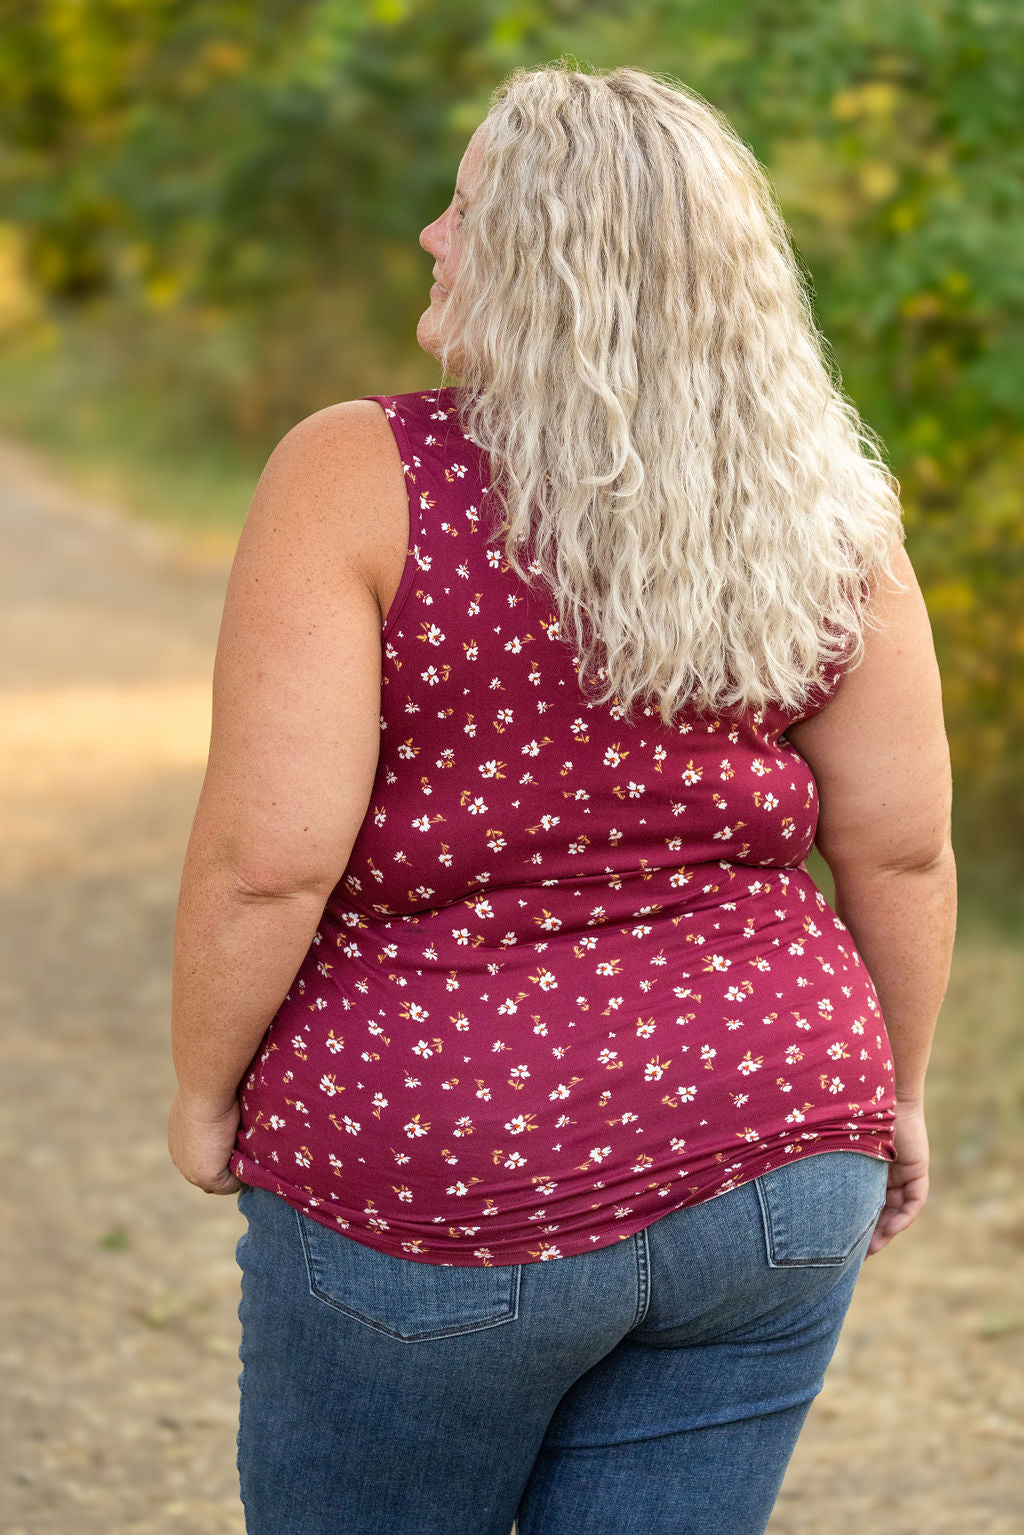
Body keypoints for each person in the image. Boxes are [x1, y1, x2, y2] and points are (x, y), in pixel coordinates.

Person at [167, 60, 956, 1535]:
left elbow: (267, 864)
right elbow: (901, 853)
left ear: (542, 258)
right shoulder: (832, 504)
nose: (430, 235)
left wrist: (207, 1088)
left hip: (438, 1174)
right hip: (782, 1156)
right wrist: (894, 1094)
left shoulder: (359, 476)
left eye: (462, 207)